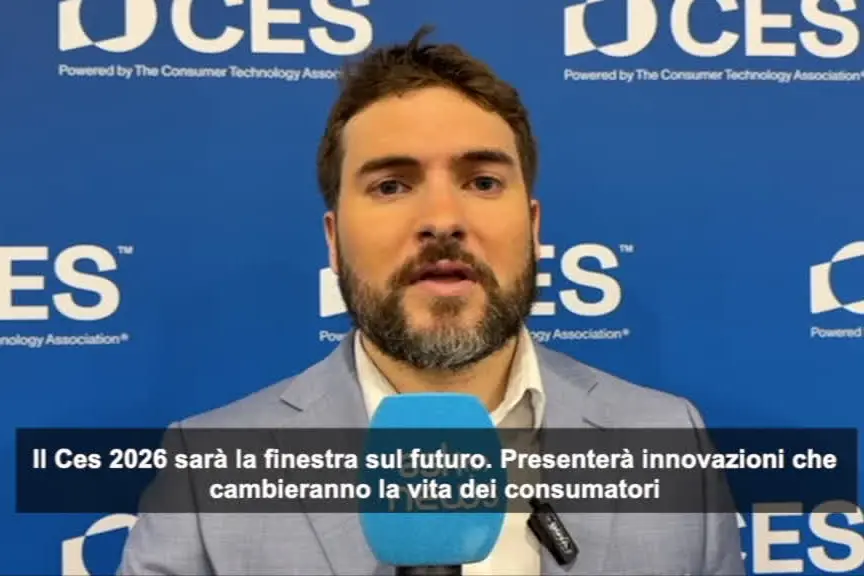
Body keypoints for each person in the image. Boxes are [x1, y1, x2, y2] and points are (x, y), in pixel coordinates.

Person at [118, 26, 745, 576]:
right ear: (334, 241)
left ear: (533, 228)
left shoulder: (671, 437)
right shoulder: (206, 469)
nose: (443, 218)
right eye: (392, 185)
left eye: (482, 181)